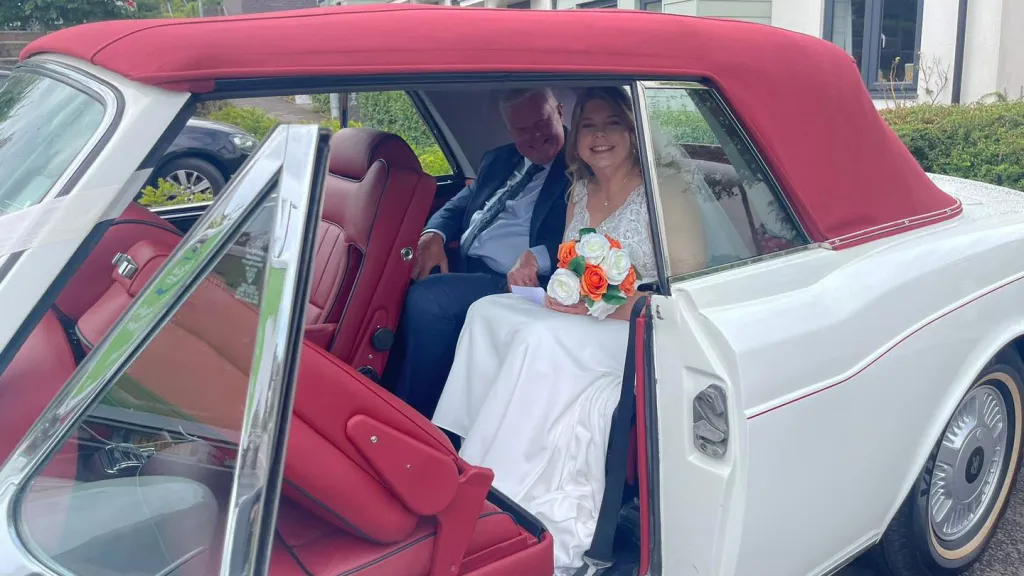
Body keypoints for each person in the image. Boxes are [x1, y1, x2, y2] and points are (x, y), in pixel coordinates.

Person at [430, 86, 706, 575]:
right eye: (589, 127)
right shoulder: (580, 188)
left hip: (642, 330)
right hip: (588, 315)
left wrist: (596, 304)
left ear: (632, 130)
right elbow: (572, 261)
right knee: (489, 312)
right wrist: (557, 284)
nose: (599, 137)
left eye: (611, 124)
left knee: (541, 338)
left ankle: (507, 480)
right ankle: (466, 450)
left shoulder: (665, 191)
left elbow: (680, 295)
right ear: (576, 137)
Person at [394, 88, 570, 418]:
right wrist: (434, 233)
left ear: (559, 112)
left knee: (430, 300)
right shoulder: (498, 159)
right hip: (464, 264)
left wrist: (533, 258)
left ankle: (415, 418)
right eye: (521, 129)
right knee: (393, 275)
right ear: (509, 130)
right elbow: (459, 204)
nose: (534, 136)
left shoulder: (582, 165)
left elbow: (585, 235)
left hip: (520, 283)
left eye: (542, 122)